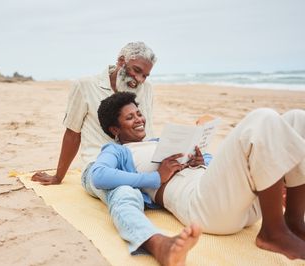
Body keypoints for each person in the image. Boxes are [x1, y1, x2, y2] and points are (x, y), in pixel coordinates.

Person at [89, 91, 305, 260]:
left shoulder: (158, 143)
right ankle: (273, 233)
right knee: (261, 118)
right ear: (115, 129)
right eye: (130, 118)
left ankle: (292, 222)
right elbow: (99, 175)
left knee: (298, 119)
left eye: (138, 113)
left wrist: (202, 161)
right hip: (203, 208)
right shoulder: (118, 150)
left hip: (235, 201)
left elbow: (216, 166)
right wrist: (156, 178)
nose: (139, 119)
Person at [31, 41, 156, 185]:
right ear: (121, 61)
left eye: (145, 75)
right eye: (137, 70)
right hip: (100, 167)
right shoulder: (85, 86)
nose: (140, 79)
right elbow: (72, 133)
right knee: (125, 191)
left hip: (139, 163)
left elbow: (147, 130)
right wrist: (58, 176)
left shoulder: (146, 89)